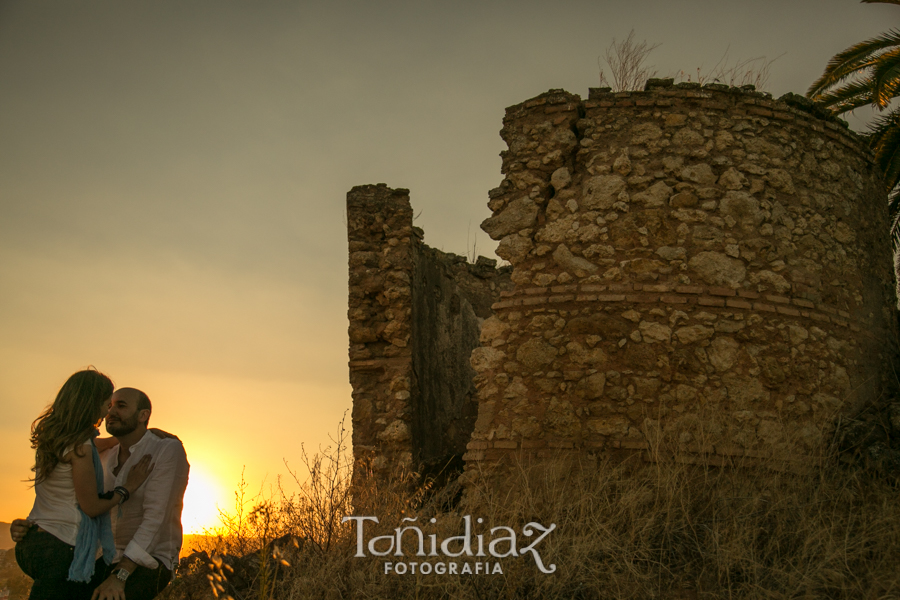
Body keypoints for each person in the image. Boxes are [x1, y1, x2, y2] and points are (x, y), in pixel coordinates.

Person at [14, 369, 153, 600]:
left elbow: (97, 444)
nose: (108, 409)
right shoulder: (81, 447)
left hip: (33, 542)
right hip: (62, 547)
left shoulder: (54, 437)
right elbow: (91, 506)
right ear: (92, 403)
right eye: (106, 403)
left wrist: (137, 435)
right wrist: (127, 487)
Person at [89, 387, 189, 600]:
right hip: (103, 556)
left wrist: (121, 575)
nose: (111, 412)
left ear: (143, 415)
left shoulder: (165, 450)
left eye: (121, 405)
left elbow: (155, 518)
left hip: (150, 559)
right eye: (110, 406)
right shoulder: (105, 454)